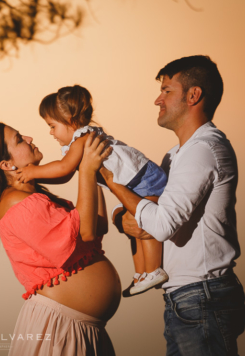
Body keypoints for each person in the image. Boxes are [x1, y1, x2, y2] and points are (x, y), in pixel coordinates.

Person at [101, 55, 245, 355]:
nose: (158, 99)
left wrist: (111, 181)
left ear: (193, 95)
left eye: (167, 90)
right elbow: (149, 210)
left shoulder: (204, 150)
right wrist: (122, 218)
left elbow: (161, 224)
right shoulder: (176, 156)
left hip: (202, 296)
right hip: (187, 298)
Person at [0, 123, 121, 355]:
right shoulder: (15, 202)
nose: (28, 137)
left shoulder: (34, 198)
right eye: (18, 139)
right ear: (6, 164)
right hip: (59, 331)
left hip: (81, 329)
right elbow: (85, 231)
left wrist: (90, 170)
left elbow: (97, 226)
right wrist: (85, 169)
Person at [16, 85, 168, 296]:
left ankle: (153, 270)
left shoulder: (83, 138)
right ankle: (142, 273)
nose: (50, 132)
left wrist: (34, 172)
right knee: (135, 231)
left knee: (144, 223)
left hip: (145, 181)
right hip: (138, 183)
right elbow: (67, 174)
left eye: (52, 126)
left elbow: (63, 167)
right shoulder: (82, 140)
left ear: (70, 120)